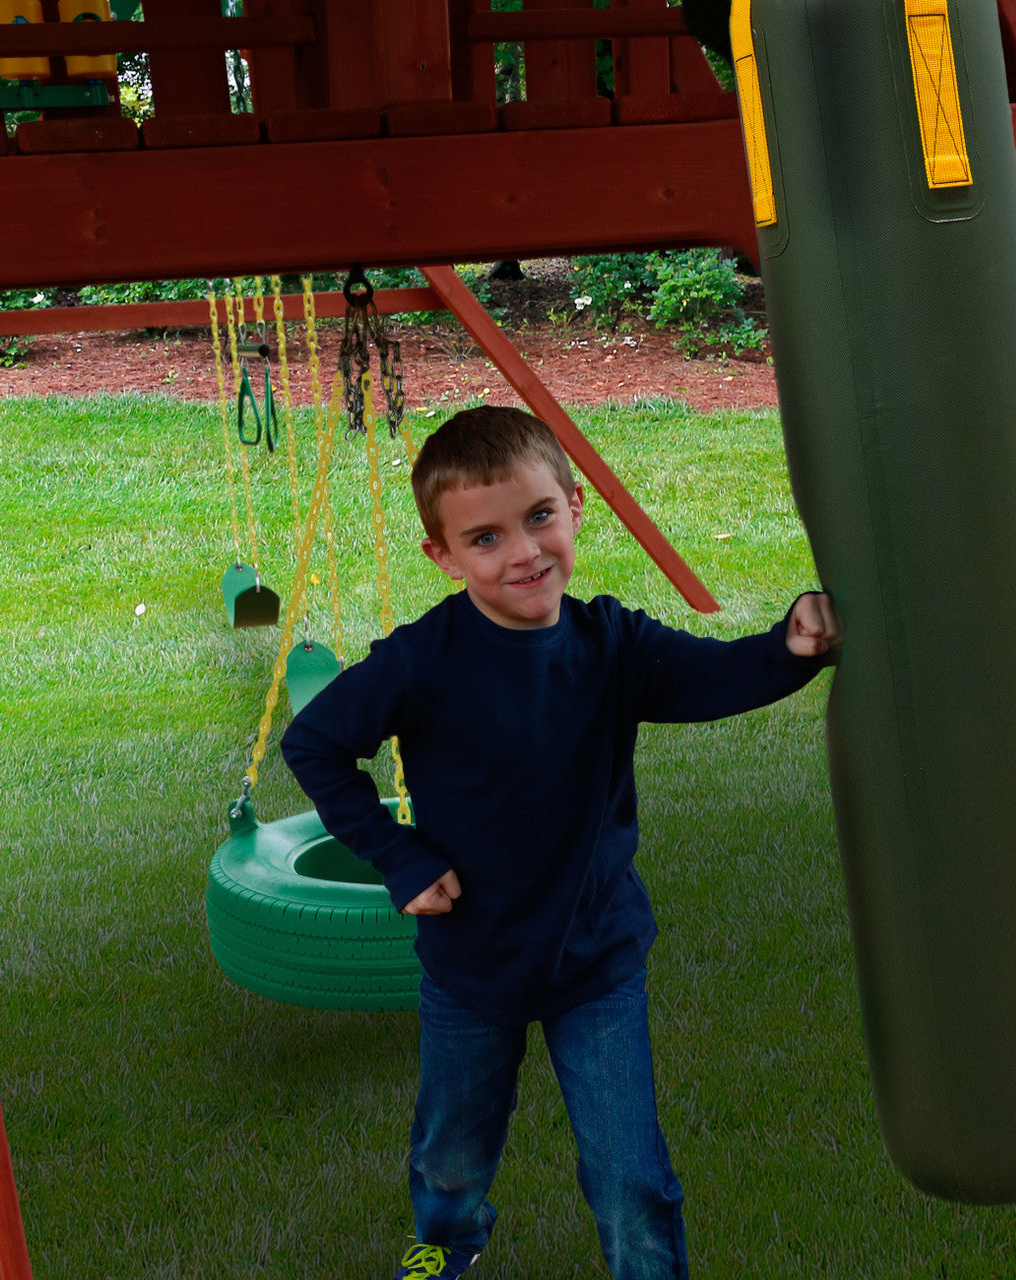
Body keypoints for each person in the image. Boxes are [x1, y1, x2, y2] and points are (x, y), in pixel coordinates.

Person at [281, 406, 841, 1280]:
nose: (523, 553)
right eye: (486, 537)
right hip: (472, 967)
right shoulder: (421, 662)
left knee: (631, 1177)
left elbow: (716, 674)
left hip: (596, 962)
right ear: (445, 556)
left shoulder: (612, 644)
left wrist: (792, 644)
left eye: (539, 517)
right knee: (452, 1152)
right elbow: (314, 743)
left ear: (575, 507)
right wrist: (399, 857)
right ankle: (446, 1241)